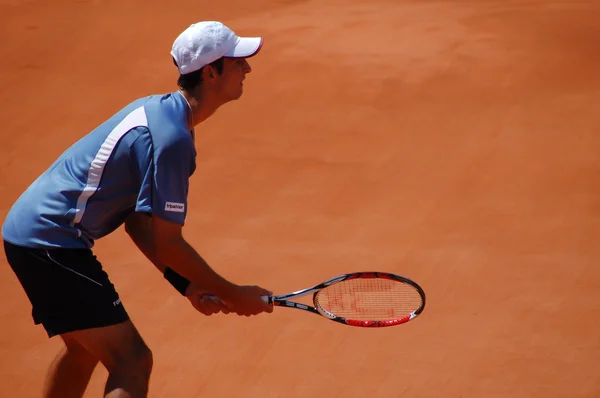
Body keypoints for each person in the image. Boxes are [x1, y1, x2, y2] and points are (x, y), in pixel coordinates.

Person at [2, 20, 273, 398]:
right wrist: (233, 292)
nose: (247, 68)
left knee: (84, 349)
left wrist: (187, 284)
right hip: (50, 241)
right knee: (132, 361)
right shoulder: (172, 139)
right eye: (238, 61)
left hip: (31, 231)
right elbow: (169, 243)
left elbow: (137, 222)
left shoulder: (162, 114)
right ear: (211, 73)